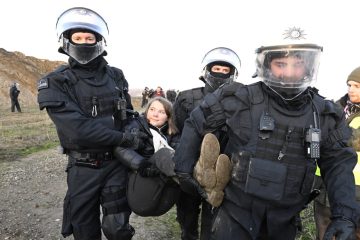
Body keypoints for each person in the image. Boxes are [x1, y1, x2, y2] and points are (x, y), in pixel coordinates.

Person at [173, 27, 359, 240]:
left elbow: (339, 164)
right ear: (266, 64)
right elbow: (197, 121)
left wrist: (344, 215)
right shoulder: (239, 98)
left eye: (298, 64)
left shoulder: (325, 114)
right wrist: (184, 169)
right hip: (235, 215)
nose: (289, 72)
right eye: (281, 64)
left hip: (284, 220)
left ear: (309, 66)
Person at [37, 7, 143, 240]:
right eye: (77, 38)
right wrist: (122, 138)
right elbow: (77, 129)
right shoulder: (56, 81)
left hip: (116, 164)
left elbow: (129, 113)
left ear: (99, 40)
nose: (84, 43)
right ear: (67, 41)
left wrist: (134, 129)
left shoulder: (116, 75)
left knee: (118, 227)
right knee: (84, 230)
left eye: (89, 38)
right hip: (82, 168)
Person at [173, 47, 242, 240]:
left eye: (224, 70)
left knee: (213, 220)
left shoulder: (239, 101)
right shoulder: (187, 97)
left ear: (232, 73)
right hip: (190, 165)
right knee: (187, 216)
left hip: (221, 171)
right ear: (207, 70)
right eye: (216, 68)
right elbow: (178, 126)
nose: (219, 73)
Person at [314, 66, 360, 239]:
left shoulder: (333, 115)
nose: (351, 89)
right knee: (324, 232)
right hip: (324, 185)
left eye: (357, 86)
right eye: (349, 85)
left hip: (355, 190)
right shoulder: (336, 110)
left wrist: (331, 132)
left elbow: (351, 142)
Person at [113, 97, 180, 216]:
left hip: (162, 201)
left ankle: (203, 186)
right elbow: (119, 148)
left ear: (168, 117)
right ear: (147, 110)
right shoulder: (136, 126)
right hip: (141, 193)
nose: (155, 114)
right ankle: (191, 178)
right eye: (152, 109)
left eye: (161, 112)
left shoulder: (172, 134)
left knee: (179, 155)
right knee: (164, 153)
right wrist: (142, 165)